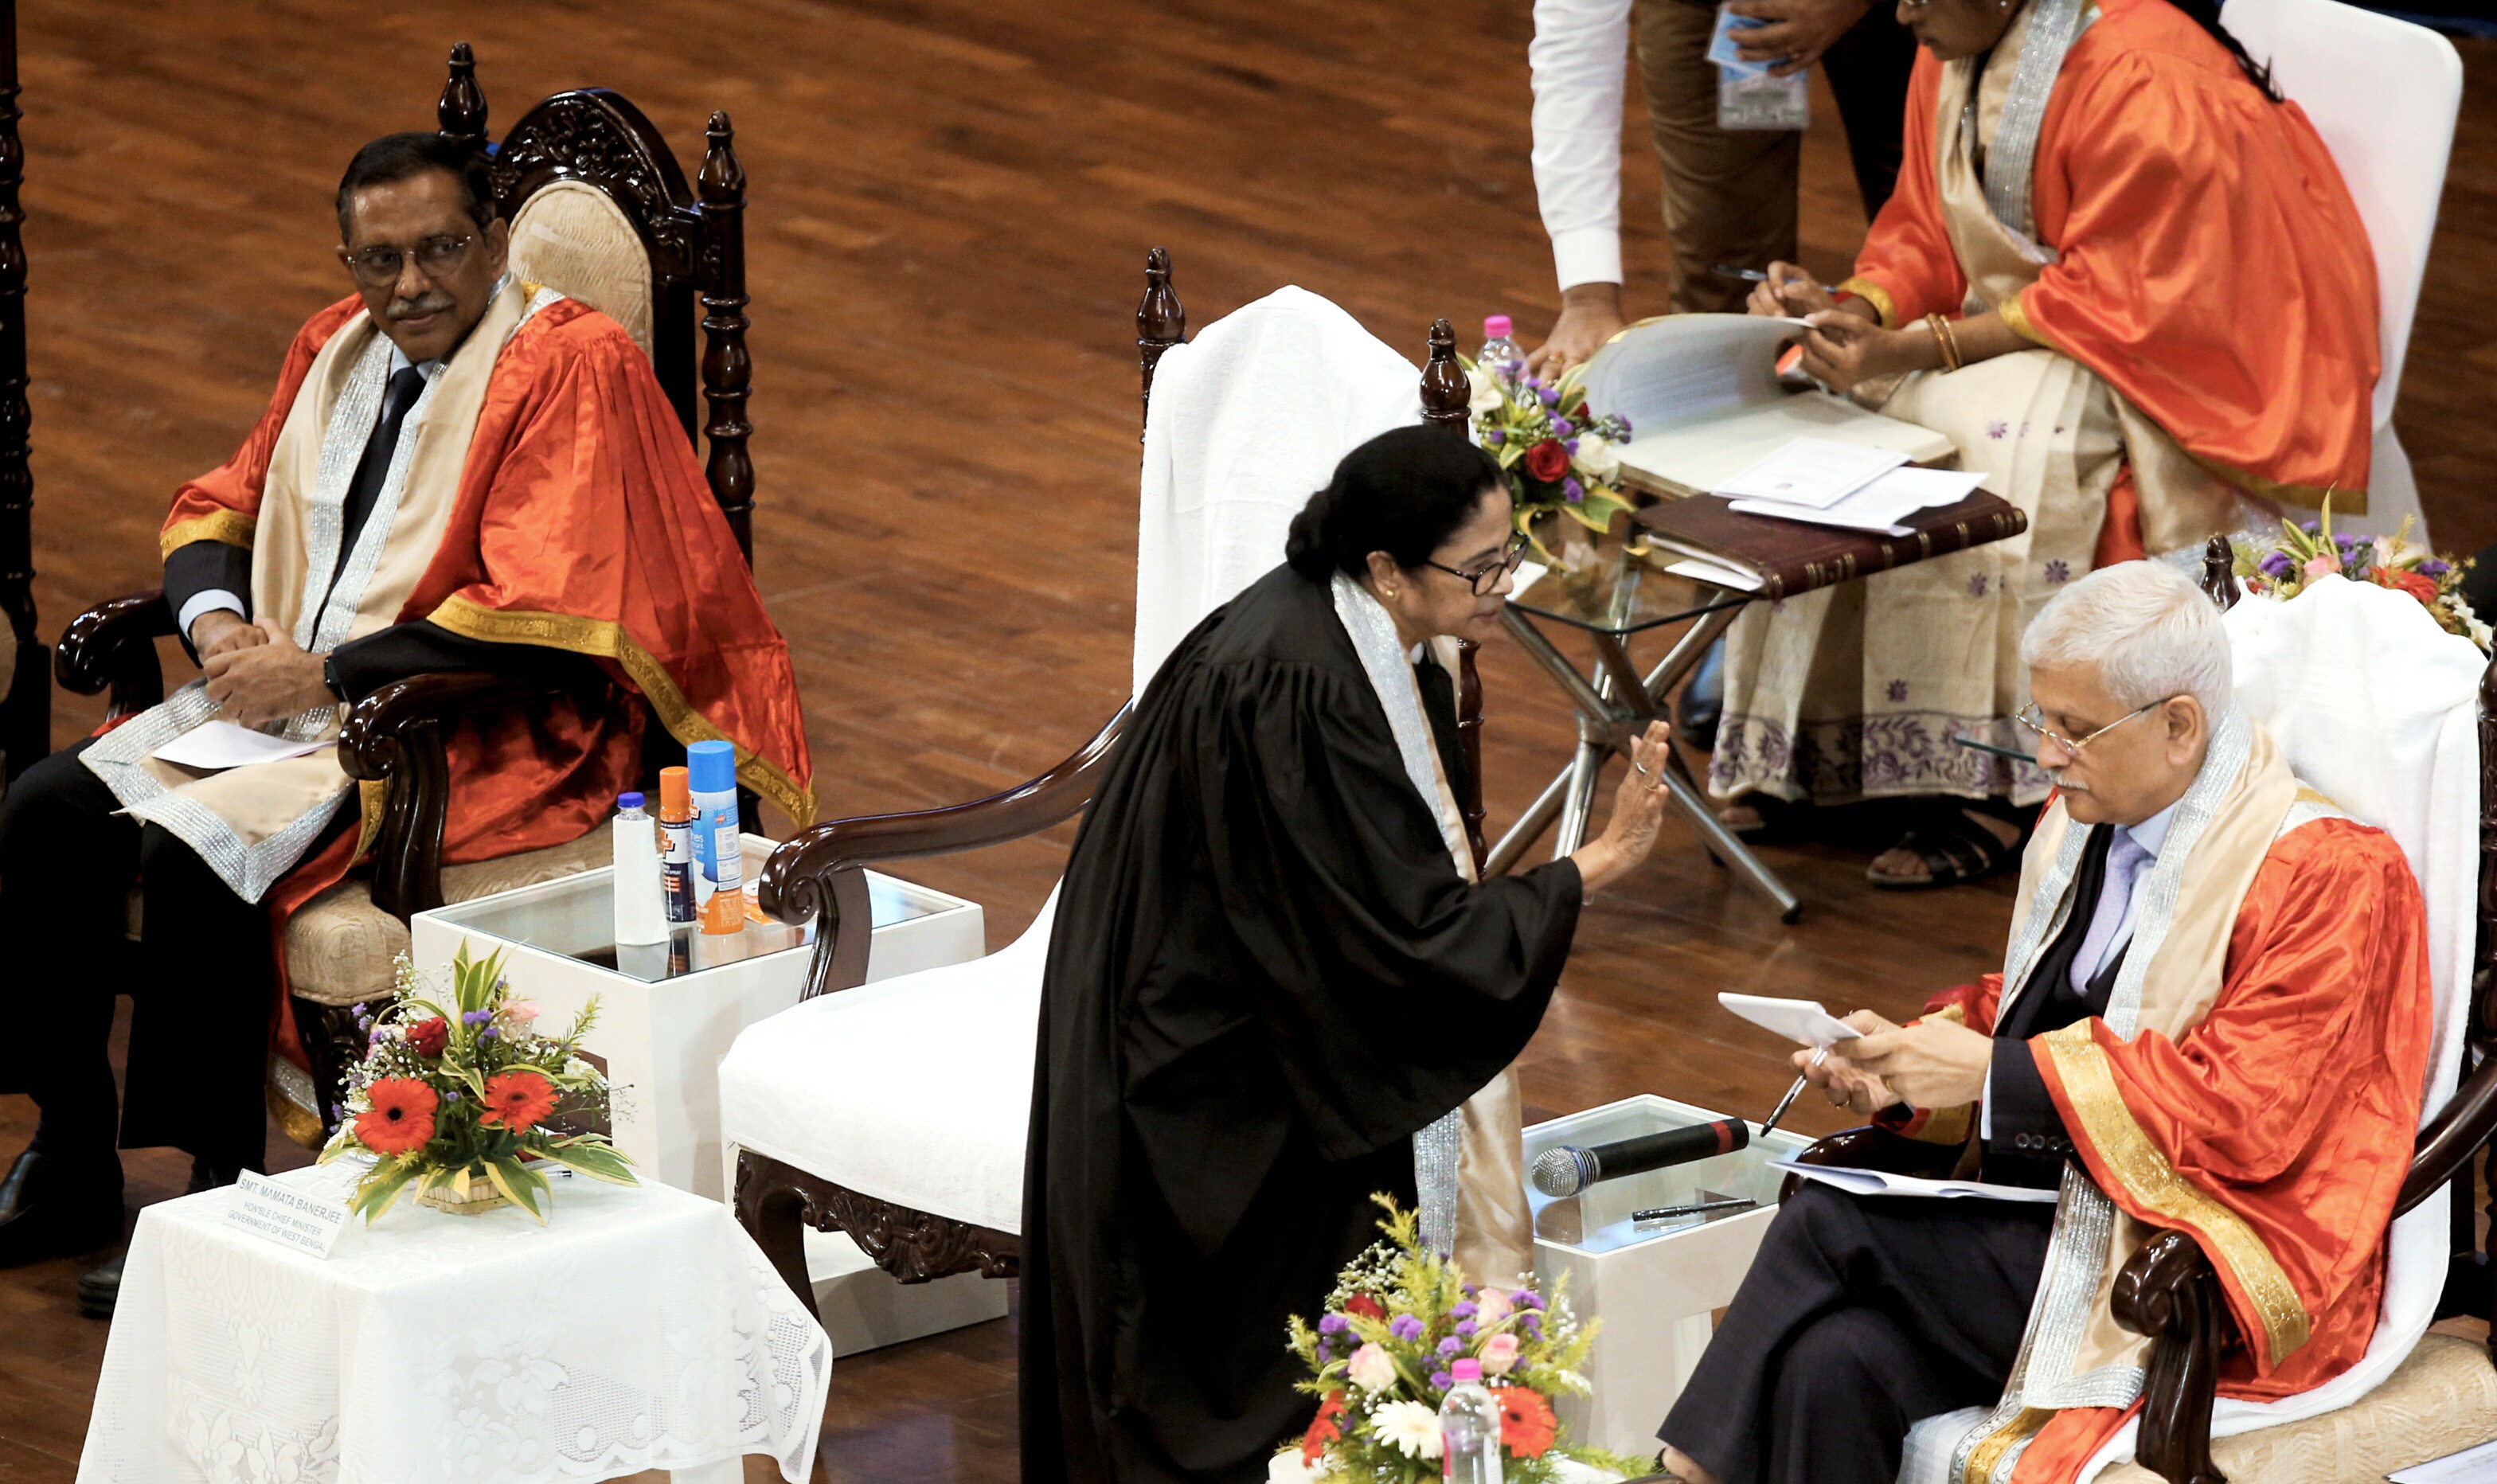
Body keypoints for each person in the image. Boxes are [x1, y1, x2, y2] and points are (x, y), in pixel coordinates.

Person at [0, 133, 811, 1307]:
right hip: (280, 707)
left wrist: (324, 675)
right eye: (380, 260)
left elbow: (552, 599)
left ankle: (215, 1187)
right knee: (41, 810)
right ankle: (70, 1147)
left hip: (475, 723)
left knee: (197, 853)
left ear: (493, 241)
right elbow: (226, 501)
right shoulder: (333, 344)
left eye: (440, 250)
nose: (411, 285)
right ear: (347, 258)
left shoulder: (565, 363)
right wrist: (222, 626)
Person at [1653, 561, 2432, 1484]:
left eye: (2074, 729)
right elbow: (2025, 998)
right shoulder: (2084, 822)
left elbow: (2251, 1110)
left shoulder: (2329, 871)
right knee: (1838, 1362)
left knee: (1827, 1217)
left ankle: (1672, 1476)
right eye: (2040, 721)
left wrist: (1991, 1074)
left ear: (2179, 725)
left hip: (2203, 1247)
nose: (2045, 757)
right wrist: (1903, 1061)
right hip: (2055, 1209)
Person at [1021, 426, 1674, 1483]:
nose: (1509, 585)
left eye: (1514, 554)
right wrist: (1594, 864)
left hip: (1254, 1007)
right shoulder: (1297, 685)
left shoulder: (1331, 636)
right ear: (1385, 568)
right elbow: (1410, 945)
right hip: (1205, 1074)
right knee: (1265, 1346)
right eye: (1484, 567)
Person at [1710, 0, 2378, 889]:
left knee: (1976, 435)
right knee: (1832, 402)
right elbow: (1924, 230)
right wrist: (1854, 309)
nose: (1899, 11)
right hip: (2049, 320)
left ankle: (1995, 782)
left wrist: (1919, 349)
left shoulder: (2145, 74)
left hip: (2189, 349)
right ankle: (1822, 749)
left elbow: (2134, 293)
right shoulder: (1952, 41)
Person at [1524, 0, 1920, 374]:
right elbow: (1575, 56)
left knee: (1939, 235)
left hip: (1911, 9)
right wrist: (1587, 296)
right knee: (1727, 304)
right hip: (1718, 14)